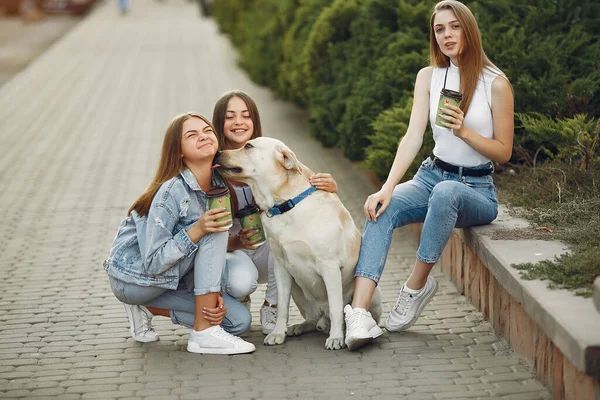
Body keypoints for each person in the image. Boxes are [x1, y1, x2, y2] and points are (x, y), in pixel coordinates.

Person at [343, 0, 514, 350]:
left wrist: (465, 132)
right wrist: (387, 188)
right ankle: (358, 314)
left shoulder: (495, 84)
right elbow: (413, 136)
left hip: (476, 189)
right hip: (430, 175)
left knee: (447, 193)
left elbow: (504, 151)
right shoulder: (429, 76)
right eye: (439, 29)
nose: (447, 35)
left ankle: (415, 288)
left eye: (454, 26)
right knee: (381, 209)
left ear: (469, 30)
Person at [103, 113, 255, 355]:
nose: (203, 136)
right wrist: (198, 229)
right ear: (179, 151)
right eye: (192, 135)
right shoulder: (169, 192)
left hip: (172, 278)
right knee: (211, 228)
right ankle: (203, 334)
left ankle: (148, 309)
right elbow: (154, 263)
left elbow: (200, 258)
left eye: (207, 131)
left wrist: (214, 295)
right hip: (135, 280)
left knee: (238, 322)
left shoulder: (220, 182)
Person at [211, 90, 339, 334]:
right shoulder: (213, 166)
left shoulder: (271, 156)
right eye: (230, 117)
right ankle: (237, 298)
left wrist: (332, 187)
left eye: (246, 116)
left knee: (282, 240)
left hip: (263, 250)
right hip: (229, 252)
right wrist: (236, 241)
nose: (239, 122)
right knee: (240, 284)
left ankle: (272, 306)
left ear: (255, 121)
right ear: (219, 122)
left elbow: (309, 189)